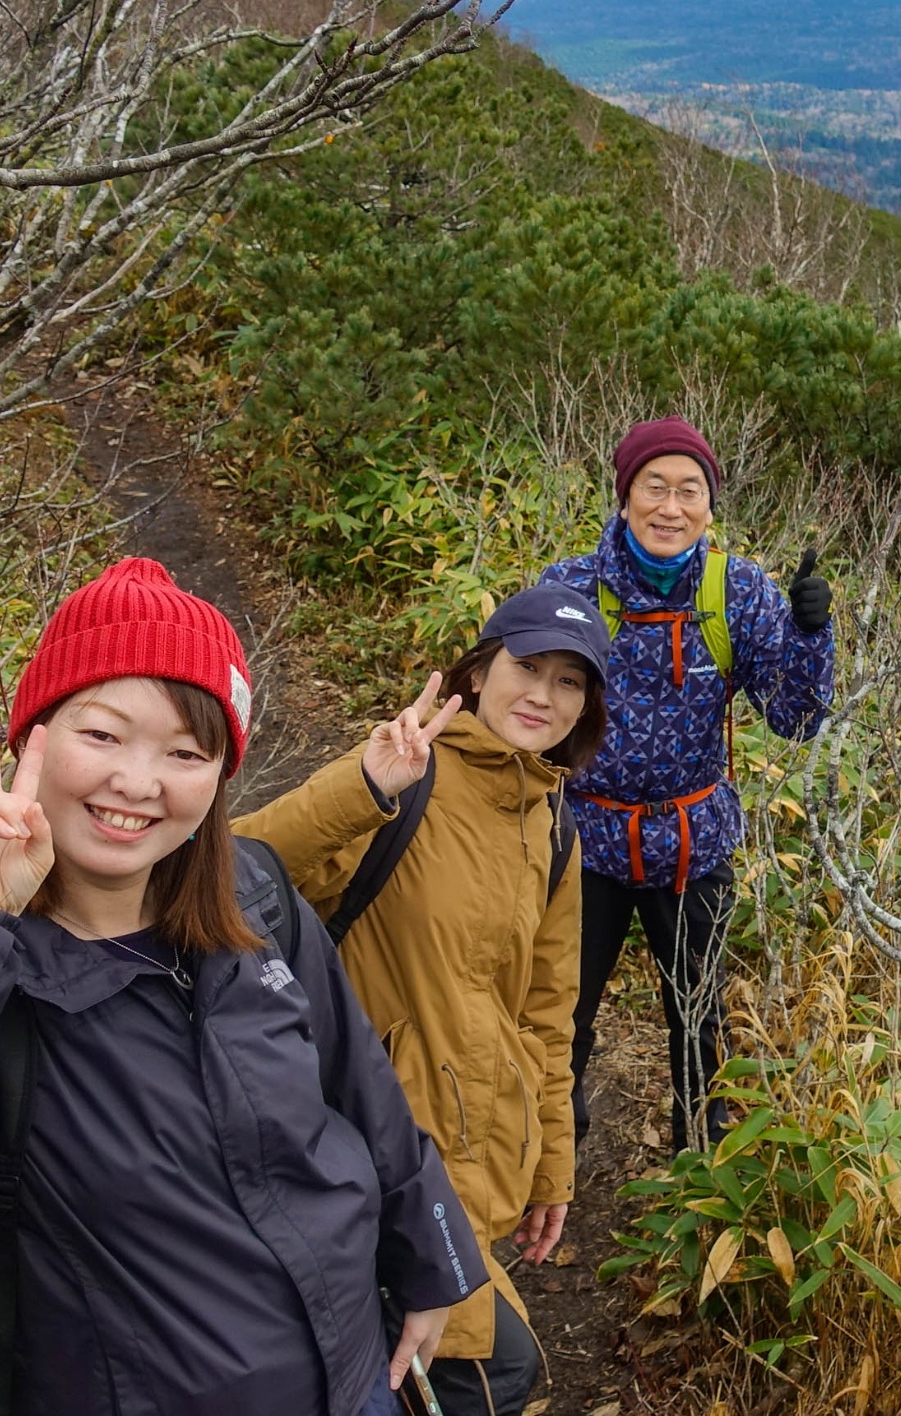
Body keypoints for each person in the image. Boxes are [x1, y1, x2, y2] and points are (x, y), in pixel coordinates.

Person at [0, 557, 478, 1416]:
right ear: (32, 738)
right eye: (102, 735)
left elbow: (360, 1091)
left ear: (217, 778)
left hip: (353, 1376)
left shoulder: (256, 897)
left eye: (184, 751)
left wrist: (432, 1262)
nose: (138, 783)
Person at [234, 583, 610, 1416]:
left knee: (476, 1371)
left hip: (472, 1162)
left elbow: (548, 1016)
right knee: (482, 1375)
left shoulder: (553, 826)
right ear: (478, 672)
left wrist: (554, 1167)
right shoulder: (404, 777)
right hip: (367, 1156)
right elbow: (236, 871)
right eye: (529, 666)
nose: (544, 695)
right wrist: (366, 786)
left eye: (570, 682)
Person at [540, 416, 835, 1152]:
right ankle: (546, 1157)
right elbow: (520, 708)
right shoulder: (572, 586)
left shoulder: (735, 590)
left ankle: (699, 1170)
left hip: (691, 846)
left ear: (709, 506)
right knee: (557, 1010)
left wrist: (808, 637)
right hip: (581, 841)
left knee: (696, 1016)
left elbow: (796, 719)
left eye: (689, 491)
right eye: (654, 487)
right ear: (624, 494)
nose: (669, 507)